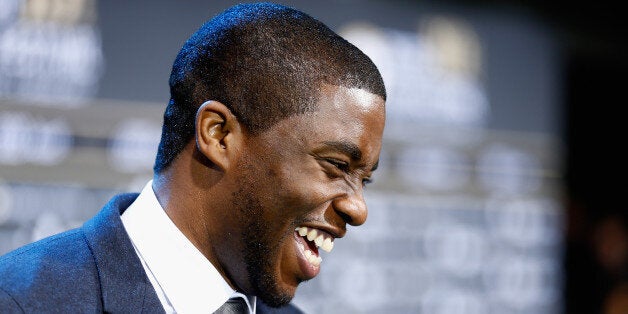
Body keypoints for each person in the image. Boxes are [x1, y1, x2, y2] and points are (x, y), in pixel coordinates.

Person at [0, 2, 386, 313]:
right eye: (337, 166)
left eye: (364, 179)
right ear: (218, 135)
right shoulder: (23, 300)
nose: (359, 209)